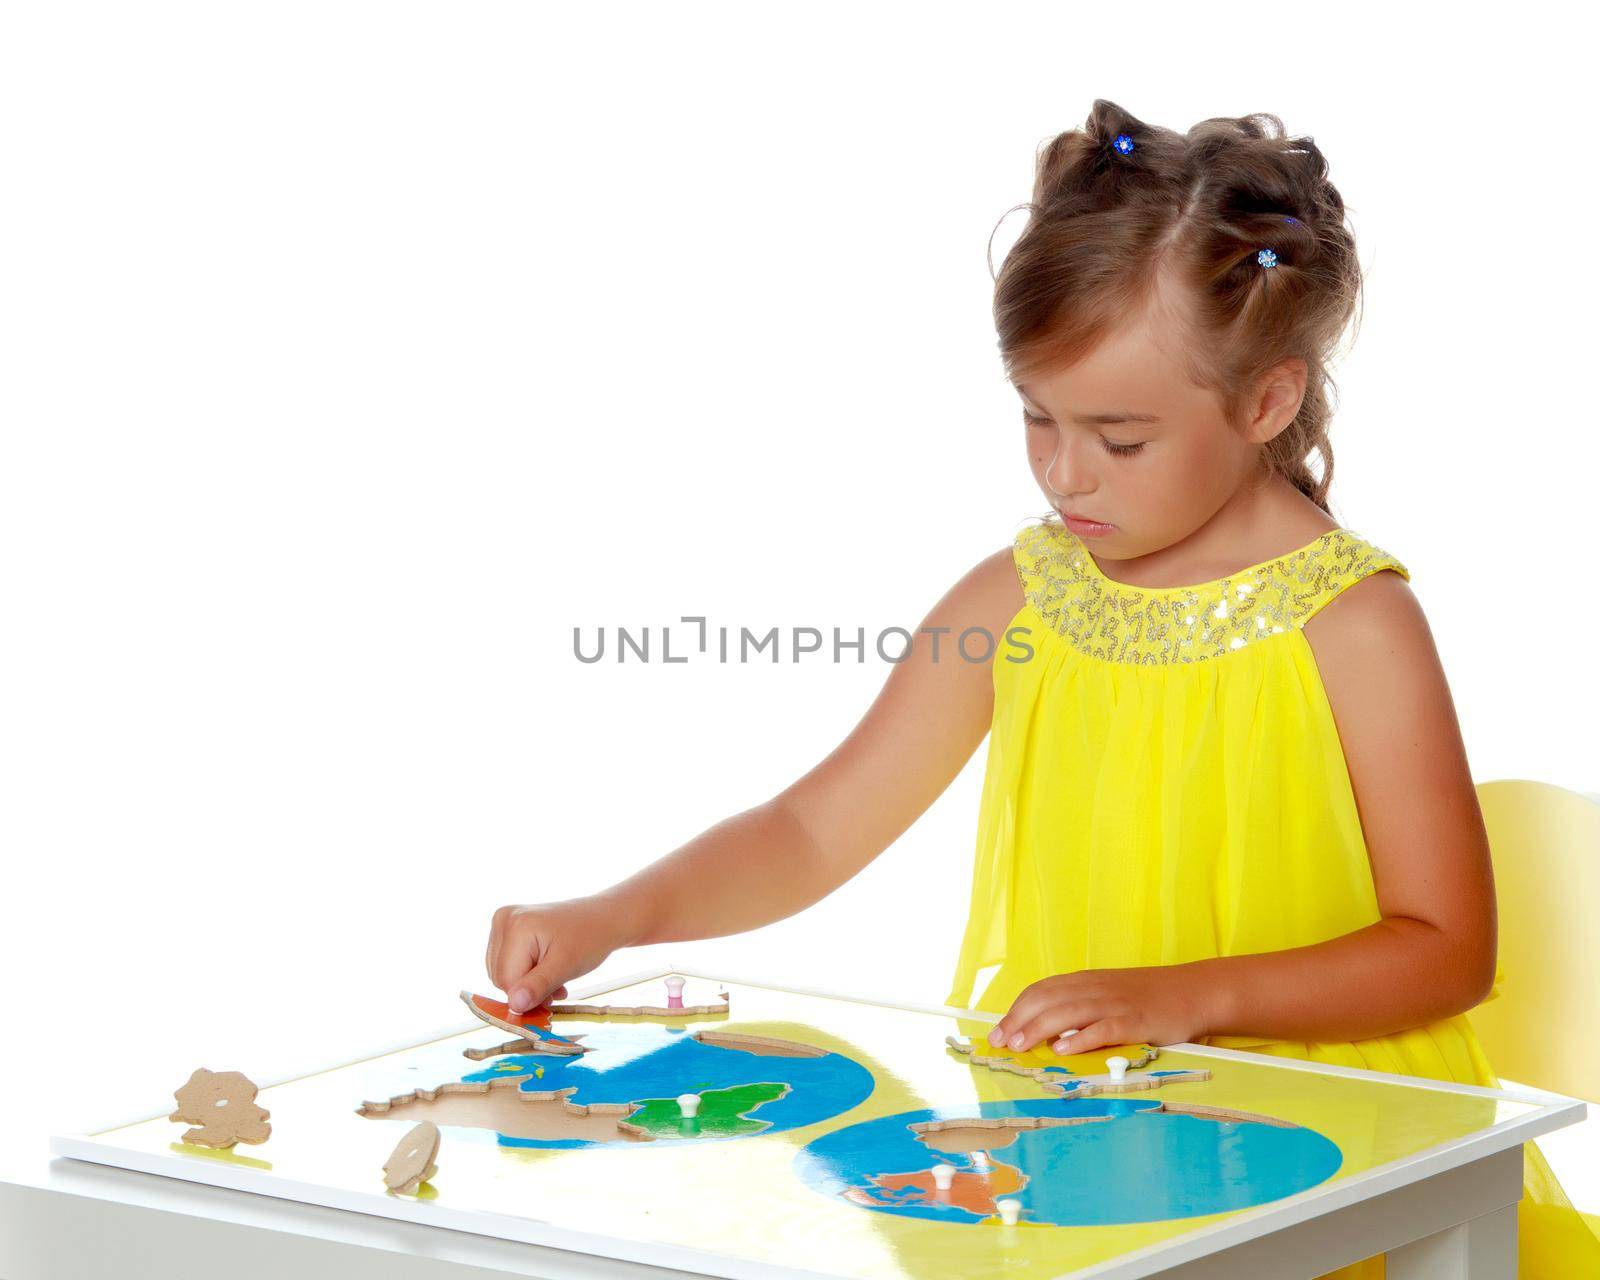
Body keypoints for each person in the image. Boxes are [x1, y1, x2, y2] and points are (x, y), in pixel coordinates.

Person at [483, 100, 1600, 1276]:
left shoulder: (1353, 620)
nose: (1065, 473)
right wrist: (617, 916)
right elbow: (811, 830)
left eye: (1119, 440)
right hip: (1088, 1133)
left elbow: (1444, 948)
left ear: (1266, 403)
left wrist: (1183, 995)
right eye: (1036, 418)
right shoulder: (1016, 598)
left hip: (1336, 1142)